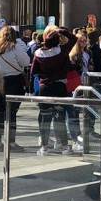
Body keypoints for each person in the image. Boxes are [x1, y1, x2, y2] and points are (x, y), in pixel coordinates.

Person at [29, 24, 71, 154]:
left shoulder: (38, 54)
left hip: (45, 87)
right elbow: (73, 39)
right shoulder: (62, 52)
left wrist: (44, 76)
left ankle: (44, 146)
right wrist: (61, 31)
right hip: (59, 87)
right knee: (60, 117)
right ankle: (63, 145)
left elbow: (33, 71)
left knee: (44, 118)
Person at [0, 26, 30, 152]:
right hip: (14, 82)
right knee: (11, 113)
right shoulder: (15, 46)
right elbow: (26, 61)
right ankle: (11, 142)